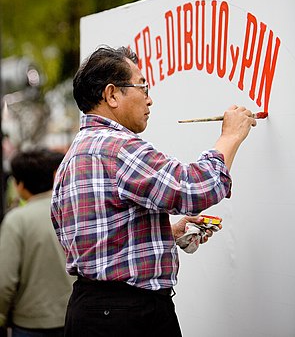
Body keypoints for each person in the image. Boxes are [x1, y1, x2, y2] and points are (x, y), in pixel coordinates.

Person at [51, 45, 256, 337]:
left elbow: (91, 239)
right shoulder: (117, 147)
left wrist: (165, 233)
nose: (150, 99)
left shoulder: (74, 155)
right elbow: (194, 188)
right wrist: (230, 136)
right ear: (111, 95)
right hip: (128, 316)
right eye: (142, 86)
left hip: (90, 311)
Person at [0, 149, 75, 337]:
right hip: (73, 316)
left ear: (20, 184)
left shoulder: (17, 220)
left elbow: (5, 281)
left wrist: (1, 316)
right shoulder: (72, 212)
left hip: (30, 323)